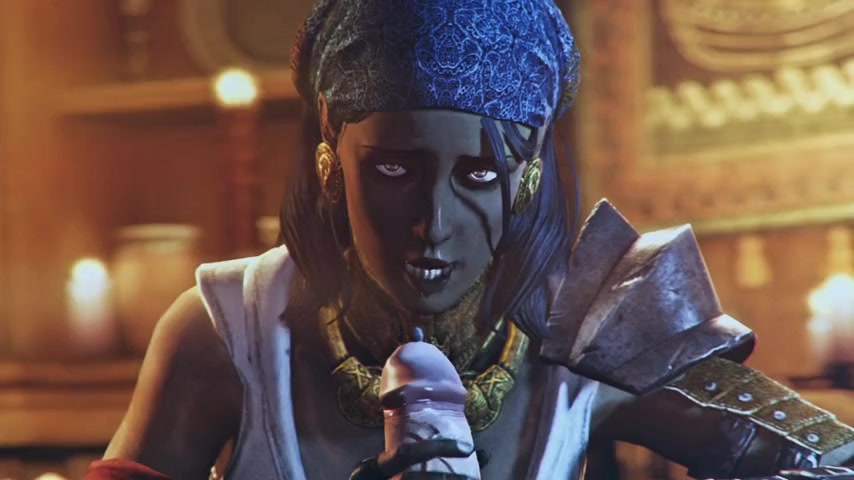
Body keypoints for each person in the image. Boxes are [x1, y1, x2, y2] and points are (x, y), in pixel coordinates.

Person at [85, 0, 854, 479]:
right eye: (393, 169)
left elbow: (835, 461)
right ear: (329, 165)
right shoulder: (227, 329)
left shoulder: (600, 326)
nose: (433, 222)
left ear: (525, 178)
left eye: (478, 175)